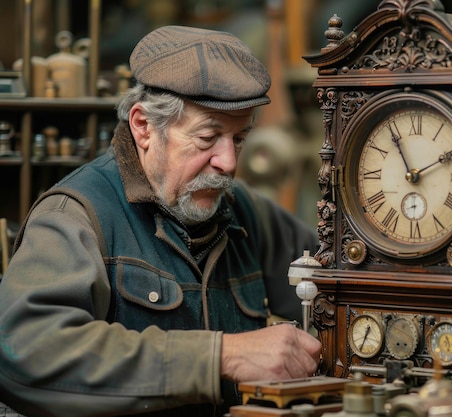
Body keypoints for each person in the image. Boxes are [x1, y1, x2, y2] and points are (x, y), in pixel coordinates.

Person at [0, 25, 322, 417]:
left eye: (239, 139)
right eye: (208, 138)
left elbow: (333, 279)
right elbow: (23, 352)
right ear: (144, 126)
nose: (229, 163)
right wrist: (218, 357)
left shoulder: (244, 210)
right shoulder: (77, 218)